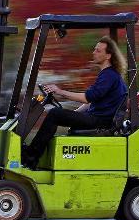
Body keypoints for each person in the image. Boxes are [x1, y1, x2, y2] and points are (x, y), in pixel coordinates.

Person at [22, 36, 128, 169]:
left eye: (98, 50)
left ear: (108, 56)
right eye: (94, 49)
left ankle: (31, 156)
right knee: (59, 114)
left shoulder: (109, 75)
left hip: (100, 120)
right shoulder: (109, 75)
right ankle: (35, 155)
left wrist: (59, 91)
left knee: (54, 114)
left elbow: (87, 98)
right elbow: (91, 102)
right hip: (98, 118)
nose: (93, 52)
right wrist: (73, 115)